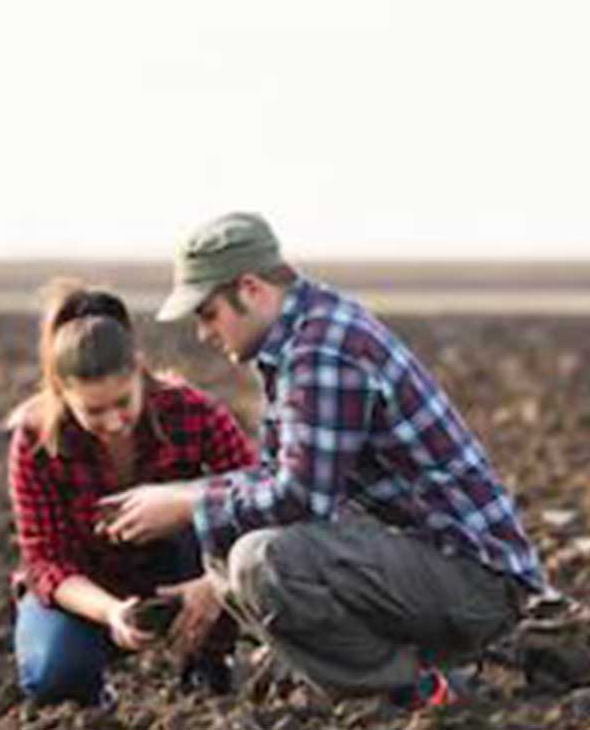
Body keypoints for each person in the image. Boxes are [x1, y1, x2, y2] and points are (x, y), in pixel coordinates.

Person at [100, 212, 546, 708]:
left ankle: (416, 692)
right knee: (230, 540)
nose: (205, 334)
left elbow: (300, 498)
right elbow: (278, 480)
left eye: (208, 314)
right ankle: (389, 677)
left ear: (250, 288)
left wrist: (187, 504)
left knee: (260, 559)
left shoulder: (324, 349)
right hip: (426, 561)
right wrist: (194, 520)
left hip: (476, 584)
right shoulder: (298, 338)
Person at [8, 279, 257, 706]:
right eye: (94, 411)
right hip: (89, 586)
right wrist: (111, 613)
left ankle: (208, 664)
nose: (114, 421)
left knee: (212, 514)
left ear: (139, 370)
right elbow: (46, 559)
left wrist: (215, 585)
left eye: (124, 402)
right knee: (54, 674)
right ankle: (92, 695)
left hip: (184, 570)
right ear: (62, 393)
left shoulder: (192, 413)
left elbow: (259, 494)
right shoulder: (35, 442)